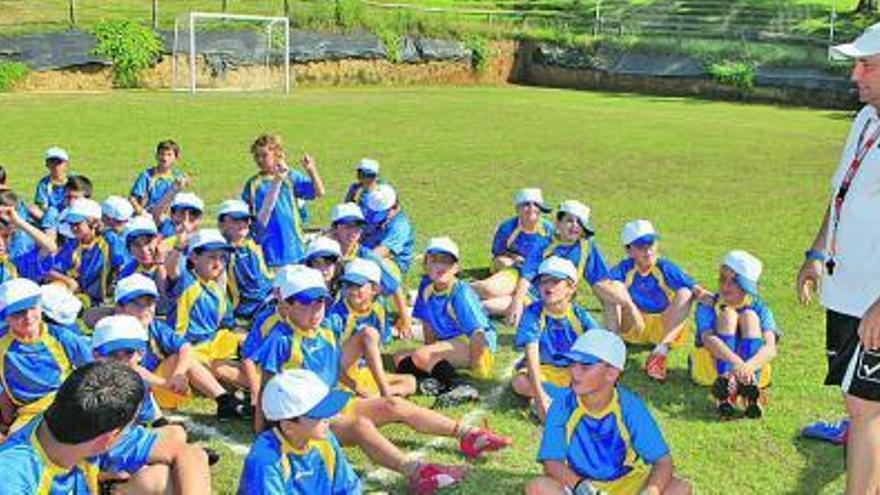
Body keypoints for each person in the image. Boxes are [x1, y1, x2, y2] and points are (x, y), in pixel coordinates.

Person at [249, 266, 511, 493]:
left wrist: (357, 387)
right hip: (309, 415)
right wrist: (261, 429)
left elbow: (335, 368)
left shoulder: (326, 331)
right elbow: (268, 386)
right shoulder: (281, 341)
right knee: (361, 427)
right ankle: (417, 472)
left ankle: (467, 434)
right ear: (285, 306)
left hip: (333, 401)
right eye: (306, 303)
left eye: (320, 301)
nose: (316, 309)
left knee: (394, 404)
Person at [796, 23, 880, 490]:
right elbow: (839, 194)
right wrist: (816, 250)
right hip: (847, 291)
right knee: (862, 402)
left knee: (863, 409)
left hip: (875, 302)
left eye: (866, 64)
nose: (855, 74)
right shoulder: (866, 119)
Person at [0, 361, 210, 495]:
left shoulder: (73, 417)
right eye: (130, 427)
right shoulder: (12, 476)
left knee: (163, 479)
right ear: (108, 439)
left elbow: (190, 455)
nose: (133, 432)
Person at [526, 330, 691, 495]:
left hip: (627, 484)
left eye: (585, 366)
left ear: (611, 373)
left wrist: (650, 491)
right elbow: (551, 461)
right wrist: (582, 487)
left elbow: (662, 461)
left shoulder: (630, 407)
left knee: (681, 488)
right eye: (572, 363)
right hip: (580, 483)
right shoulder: (562, 406)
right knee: (537, 487)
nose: (574, 372)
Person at [115, 273, 251, 419]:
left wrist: (178, 375)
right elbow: (128, 367)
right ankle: (232, 399)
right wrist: (166, 383)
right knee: (179, 358)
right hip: (129, 392)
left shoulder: (155, 326)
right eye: (137, 303)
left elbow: (185, 347)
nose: (145, 308)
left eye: (149, 302)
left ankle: (225, 400)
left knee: (185, 355)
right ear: (119, 307)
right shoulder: (114, 331)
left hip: (158, 387)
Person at [394, 237, 496, 400]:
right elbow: (428, 322)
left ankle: (461, 386)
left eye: (447, 261)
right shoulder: (426, 286)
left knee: (421, 355)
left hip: (475, 345)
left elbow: (478, 333)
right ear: (425, 264)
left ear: (456, 268)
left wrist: (479, 368)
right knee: (400, 358)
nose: (440, 265)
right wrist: (429, 354)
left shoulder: (460, 293)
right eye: (434, 260)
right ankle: (436, 380)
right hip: (450, 342)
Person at [609, 220, 710, 382]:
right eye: (641, 246)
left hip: (662, 328)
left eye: (651, 244)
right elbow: (606, 287)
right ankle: (610, 348)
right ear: (629, 250)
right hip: (634, 327)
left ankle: (660, 352)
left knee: (685, 292)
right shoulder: (624, 269)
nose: (648, 251)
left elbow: (695, 289)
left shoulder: (664, 267)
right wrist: (631, 308)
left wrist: (717, 301)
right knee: (615, 287)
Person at [238, 369, 362, 494]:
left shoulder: (326, 441)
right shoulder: (267, 458)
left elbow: (348, 487)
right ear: (288, 426)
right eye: (317, 416)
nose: (327, 419)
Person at [689, 251, 779, 419]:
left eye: (734, 282)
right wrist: (736, 364)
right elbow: (708, 339)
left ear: (747, 287)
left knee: (750, 316)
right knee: (728, 314)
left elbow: (771, 348)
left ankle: (749, 392)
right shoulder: (709, 304)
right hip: (712, 366)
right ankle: (725, 391)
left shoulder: (760, 308)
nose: (726, 286)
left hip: (751, 368)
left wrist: (747, 368)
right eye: (722, 278)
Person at [511, 257, 599, 422]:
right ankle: (551, 400)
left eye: (555, 281)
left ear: (571, 288)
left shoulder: (579, 316)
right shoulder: (533, 314)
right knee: (519, 383)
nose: (548, 287)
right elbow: (531, 354)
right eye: (543, 281)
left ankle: (560, 400)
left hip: (570, 370)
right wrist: (540, 397)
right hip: (543, 370)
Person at [0, 278, 92, 433]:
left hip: (64, 400)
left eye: (32, 308)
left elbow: (91, 368)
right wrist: (7, 421)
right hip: (28, 412)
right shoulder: (3, 344)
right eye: (18, 313)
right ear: (5, 317)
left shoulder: (62, 336)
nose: (28, 316)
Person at [328, 258, 417, 398]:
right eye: (348, 285)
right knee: (368, 334)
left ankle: (374, 396)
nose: (352, 291)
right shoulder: (336, 315)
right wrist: (356, 387)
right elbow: (329, 362)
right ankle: (384, 394)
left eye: (358, 286)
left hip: (361, 370)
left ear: (375, 289)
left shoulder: (378, 311)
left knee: (410, 382)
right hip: (337, 372)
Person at [328, 202, 412, 338]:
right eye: (347, 226)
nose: (353, 231)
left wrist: (405, 321)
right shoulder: (324, 253)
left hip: (362, 311)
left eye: (358, 226)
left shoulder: (367, 256)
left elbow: (394, 287)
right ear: (335, 228)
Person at [241, 133, 325, 268]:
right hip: (268, 250)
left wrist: (311, 169)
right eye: (256, 156)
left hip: (294, 247)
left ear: (276, 154)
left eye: (264, 155)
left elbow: (319, 192)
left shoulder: (290, 176)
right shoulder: (253, 185)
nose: (259, 160)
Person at [47, 198, 124, 308]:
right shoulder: (73, 243)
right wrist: (68, 281)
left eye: (78, 223)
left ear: (94, 223)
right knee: (55, 287)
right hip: (81, 293)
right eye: (71, 224)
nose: (73, 228)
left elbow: (121, 265)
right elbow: (50, 269)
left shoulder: (109, 240)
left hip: (105, 295)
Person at [217, 199, 273, 327]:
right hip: (244, 311)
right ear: (222, 224)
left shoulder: (254, 239)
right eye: (236, 220)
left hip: (268, 301)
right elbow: (220, 287)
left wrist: (277, 182)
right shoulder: (221, 251)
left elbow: (267, 208)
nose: (242, 224)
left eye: (246, 220)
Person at [487, 188, 555, 275]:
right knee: (503, 262)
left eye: (536, 205)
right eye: (526, 204)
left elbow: (554, 249)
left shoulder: (548, 228)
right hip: (510, 262)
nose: (531, 209)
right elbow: (497, 251)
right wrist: (514, 257)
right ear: (517, 209)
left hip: (536, 263)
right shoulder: (507, 227)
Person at [361, 184, 415, 278]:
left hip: (391, 263)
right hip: (367, 251)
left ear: (393, 208)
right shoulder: (374, 209)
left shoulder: (400, 225)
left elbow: (380, 253)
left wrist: (355, 261)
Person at [130, 139, 188, 216]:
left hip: (169, 217)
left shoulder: (178, 177)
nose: (164, 158)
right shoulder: (147, 176)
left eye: (169, 155)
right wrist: (142, 213)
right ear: (156, 156)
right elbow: (133, 199)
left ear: (176, 158)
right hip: (148, 216)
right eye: (162, 154)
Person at [31, 146, 73, 220]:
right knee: (32, 209)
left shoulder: (73, 180)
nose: (55, 166)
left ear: (66, 164)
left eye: (59, 162)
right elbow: (43, 205)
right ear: (47, 165)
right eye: (51, 162)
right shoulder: (44, 183)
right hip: (51, 214)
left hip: (70, 212)